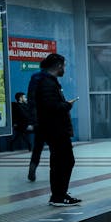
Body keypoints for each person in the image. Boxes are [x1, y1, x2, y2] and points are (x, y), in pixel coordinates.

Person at [33, 52, 81, 206]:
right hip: (55, 129)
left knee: (60, 161)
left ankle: (59, 194)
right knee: (65, 161)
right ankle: (58, 196)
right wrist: (67, 105)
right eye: (64, 66)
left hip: (53, 128)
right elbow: (50, 106)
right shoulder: (48, 83)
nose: (64, 69)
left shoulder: (48, 81)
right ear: (58, 66)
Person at [26, 66, 45, 182]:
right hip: (48, 120)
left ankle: (32, 170)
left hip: (39, 121)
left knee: (37, 147)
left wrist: (33, 121)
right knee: (56, 148)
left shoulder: (34, 80)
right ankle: (58, 172)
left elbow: (31, 104)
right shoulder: (48, 80)